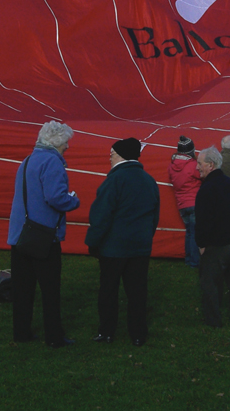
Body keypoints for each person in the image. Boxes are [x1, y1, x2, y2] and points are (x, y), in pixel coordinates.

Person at [6, 121, 82, 348]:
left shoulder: (27, 161)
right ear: (58, 142)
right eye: (66, 141)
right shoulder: (52, 162)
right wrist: (73, 200)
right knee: (50, 291)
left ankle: (21, 332)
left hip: (20, 235)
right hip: (44, 237)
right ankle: (54, 336)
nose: (68, 146)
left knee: (22, 289)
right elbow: (55, 197)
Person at [85, 137, 160, 346]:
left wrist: (93, 242)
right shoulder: (149, 181)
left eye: (112, 153)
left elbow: (101, 216)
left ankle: (107, 332)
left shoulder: (113, 181)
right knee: (137, 292)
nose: (109, 157)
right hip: (140, 247)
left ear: (120, 155)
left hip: (113, 248)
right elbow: (154, 215)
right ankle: (138, 334)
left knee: (108, 290)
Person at [194, 146, 230, 327]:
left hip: (217, 245)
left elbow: (203, 220)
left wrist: (202, 244)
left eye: (199, 164)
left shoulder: (206, 190)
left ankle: (213, 320)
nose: (197, 167)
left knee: (210, 283)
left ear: (210, 165)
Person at [167, 135, 202, 267]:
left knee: (189, 232)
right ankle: (194, 261)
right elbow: (202, 176)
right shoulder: (193, 165)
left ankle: (189, 259)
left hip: (181, 204)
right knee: (195, 233)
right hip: (194, 201)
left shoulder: (171, 166)